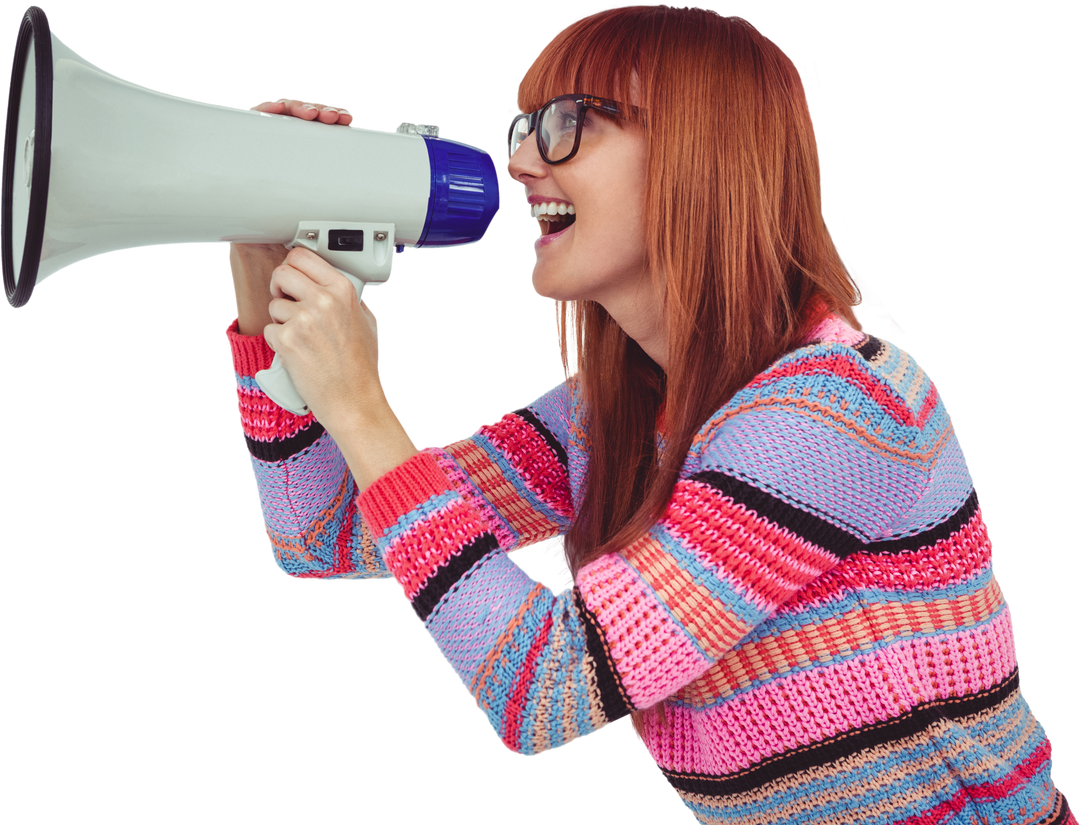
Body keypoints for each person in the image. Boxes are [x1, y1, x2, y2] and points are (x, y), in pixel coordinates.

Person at [223, 5, 1075, 823]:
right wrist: (263, 292)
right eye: (525, 128)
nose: (520, 164)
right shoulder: (613, 412)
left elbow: (540, 690)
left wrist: (362, 405)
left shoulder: (837, 409)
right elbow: (322, 537)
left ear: (698, 153)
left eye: (566, 124)